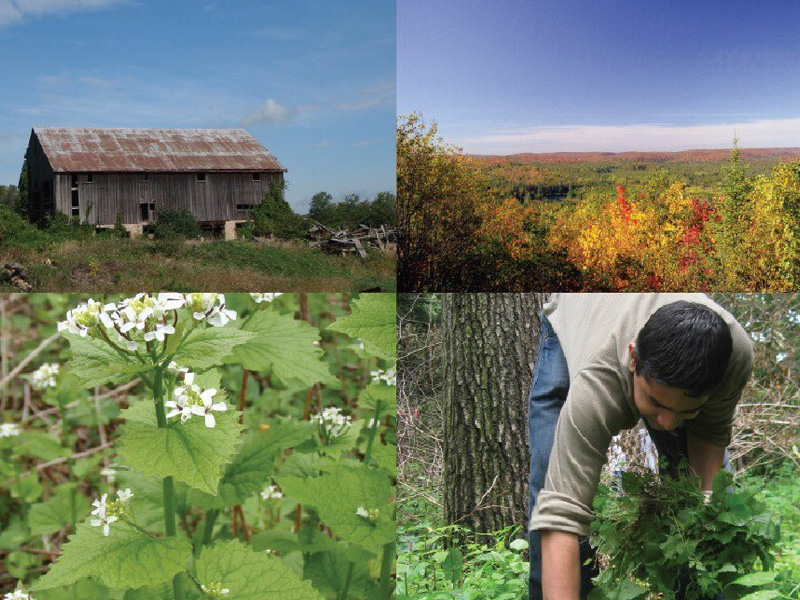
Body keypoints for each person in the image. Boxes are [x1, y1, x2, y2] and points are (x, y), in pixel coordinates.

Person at [527, 294, 753, 600]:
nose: (667, 423)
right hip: (576, 306)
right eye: (656, 402)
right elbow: (561, 513)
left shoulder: (734, 357)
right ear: (633, 359)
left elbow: (710, 434)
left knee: (703, 502)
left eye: (686, 411)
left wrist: (706, 510)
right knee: (550, 479)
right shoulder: (597, 380)